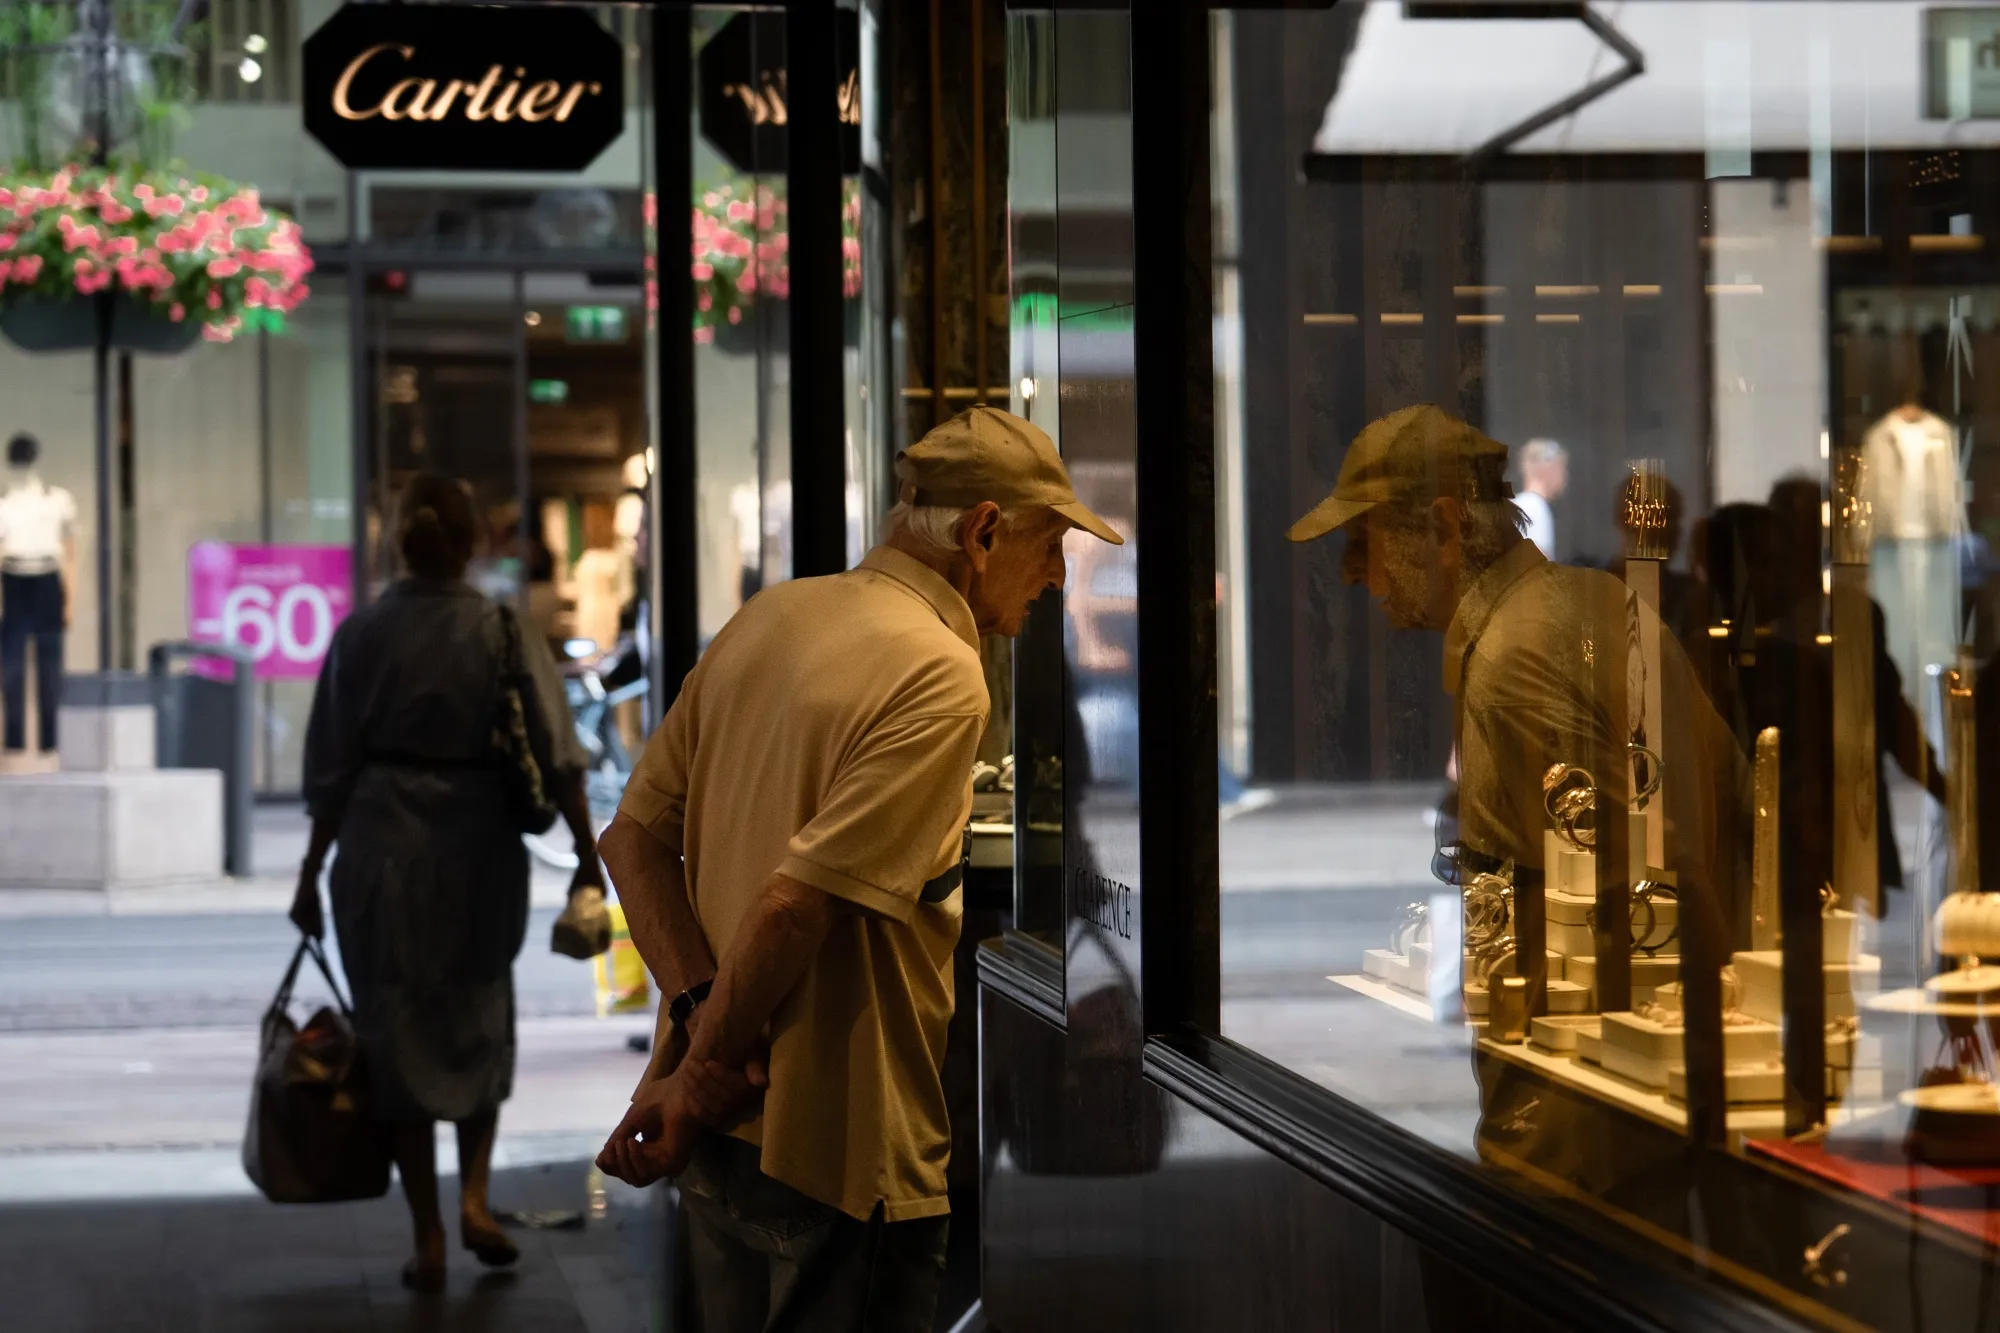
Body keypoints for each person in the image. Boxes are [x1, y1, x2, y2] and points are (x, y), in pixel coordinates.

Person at [593, 405, 1122, 1332]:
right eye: (1048, 544)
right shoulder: (941, 669)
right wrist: (706, 1064)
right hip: (839, 1146)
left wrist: (697, 1034)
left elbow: (630, 840)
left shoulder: (769, 616)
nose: (1057, 573)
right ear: (983, 532)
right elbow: (794, 907)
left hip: (718, 1136)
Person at [1288, 405, 1746, 1203]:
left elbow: (1659, 878)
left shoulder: (1512, 656)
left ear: (1442, 526)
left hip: (1581, 1132)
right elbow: (1736, 799)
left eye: (1364, 540)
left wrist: (1703, 1075)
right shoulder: (1597, 601)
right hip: (1631, 1112)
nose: (1353, 571)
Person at [288, 473, 606, 1293]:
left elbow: (329, 770)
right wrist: (586, 851)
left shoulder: (360, 634)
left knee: (392, 1032)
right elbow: (559, 751)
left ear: (399, 542)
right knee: (478, 1016)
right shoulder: (502, 628)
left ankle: (427, 1234)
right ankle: (474, 1200)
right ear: (475, 543)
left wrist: (309, 872)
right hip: (477, 849)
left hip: (378, 853)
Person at [0, 432, 78, 754]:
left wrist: (69, 599)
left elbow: (70, 553)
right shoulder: (4, 504)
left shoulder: (57, 500)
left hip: (47, 577)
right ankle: (14, 739)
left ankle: (50, 739)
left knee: (50, 664)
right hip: (13, 577)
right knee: (11, 664)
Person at [1513, 437, 1568, 559]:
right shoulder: (1536, 507)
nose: (1564, 476)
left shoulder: (1518, 504)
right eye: (1561, 468)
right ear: (1548, 469)